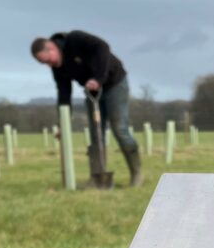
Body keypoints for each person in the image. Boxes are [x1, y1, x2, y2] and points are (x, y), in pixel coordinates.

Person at [31, 31, 143, 187]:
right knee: (95, 133)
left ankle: (136, 174)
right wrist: (63, 123)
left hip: (114, 83)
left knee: (119, 129)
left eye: (48, 60)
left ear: (51, 47)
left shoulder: (75, 39)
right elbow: (64, 95)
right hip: (92, 92)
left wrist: (97, 78)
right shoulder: (58, 69)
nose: (49, 65)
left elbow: (103, 47)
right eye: (44, 63)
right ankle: (98, 178)